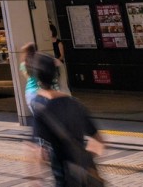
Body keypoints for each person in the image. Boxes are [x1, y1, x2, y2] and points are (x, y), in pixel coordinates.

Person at [28, 54, 104, 187]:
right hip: (82, 178)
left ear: (37, 78)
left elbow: (38, 151)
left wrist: (35, 181)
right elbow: (99, 140)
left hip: (63, 178)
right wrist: (84, 160)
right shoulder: (75, 103)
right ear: (55, 76)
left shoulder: (40, 106)